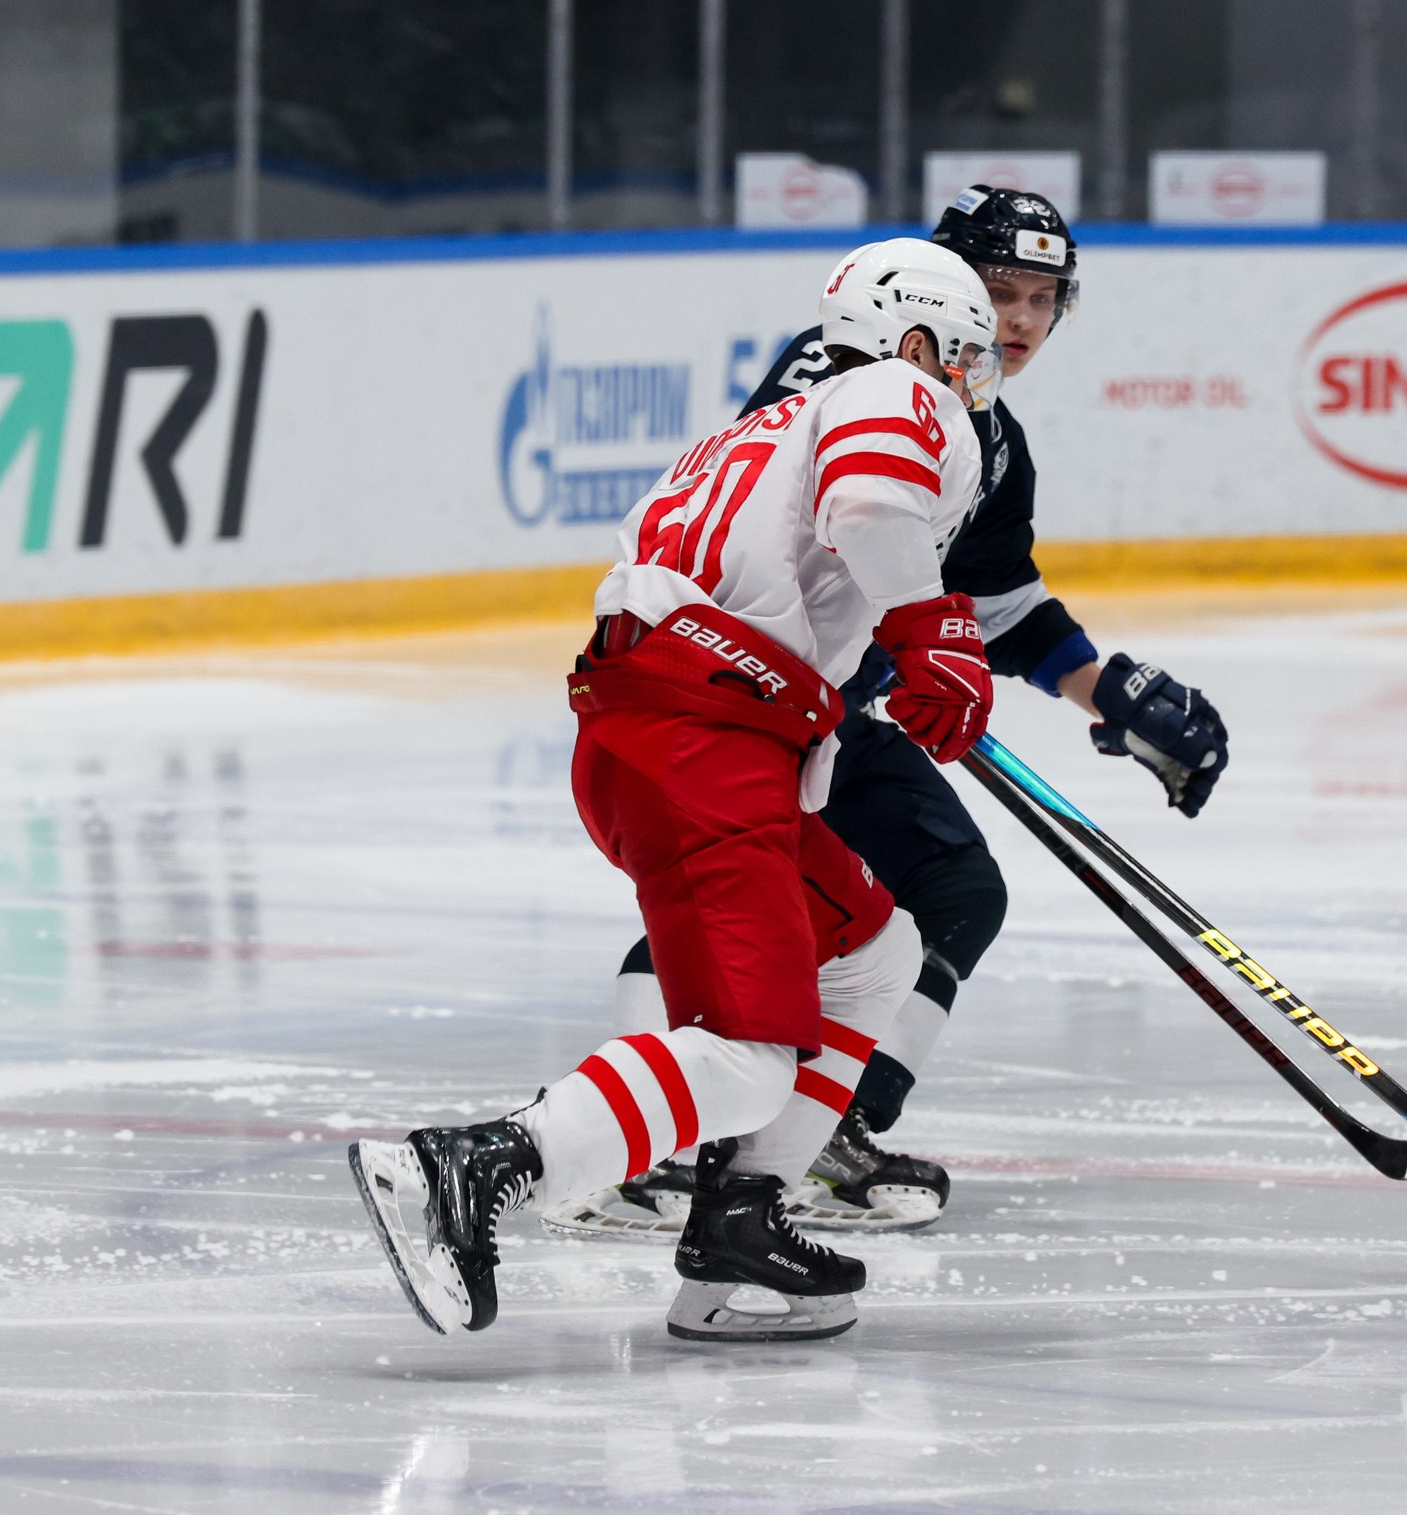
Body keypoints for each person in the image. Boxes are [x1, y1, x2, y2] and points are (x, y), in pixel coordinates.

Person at [541, 185, 1232, 1242]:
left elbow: (999, 602)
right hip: (746, 689)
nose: (1017, 319)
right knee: (750, 899)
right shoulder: (859, 375)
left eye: (1043, 298)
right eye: (998, 289)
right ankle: (672, 1149)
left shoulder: (993, 440)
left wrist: (1111, 693)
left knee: (938, 893)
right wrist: (904, 641)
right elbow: (833, 513)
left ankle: (816, 1132)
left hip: (811, 698)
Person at [350, 236, 1002, 1343]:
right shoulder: (895, 388)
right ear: (917, 336)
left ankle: (736, 1228)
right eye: (964, 355)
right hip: (710, 740)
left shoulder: (753, 430)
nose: (966, 381)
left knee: (877, 953)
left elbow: (776, 570)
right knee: (746, 1059)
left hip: (661, 728)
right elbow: (876, 502)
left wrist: (883, 652)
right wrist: (931, 629)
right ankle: (471, 1162)